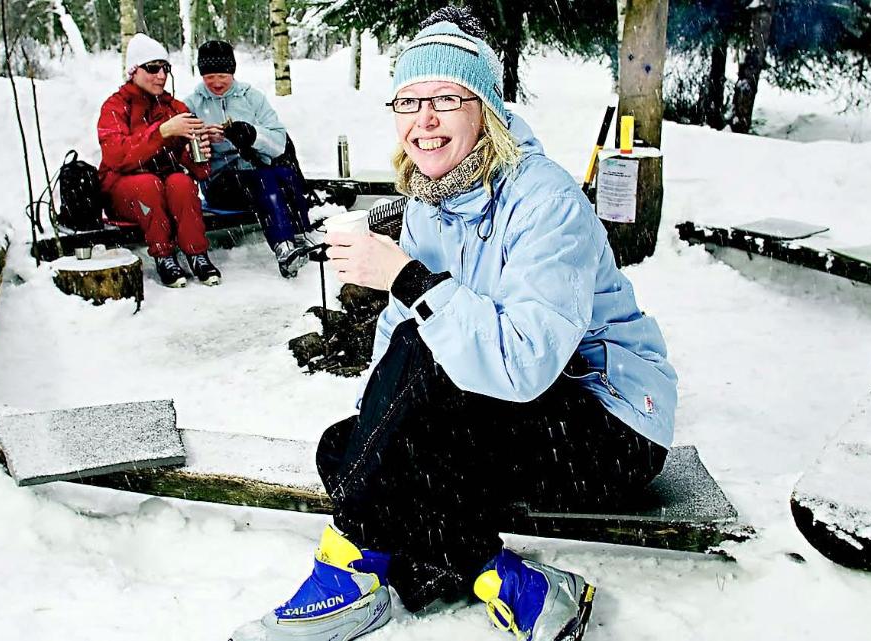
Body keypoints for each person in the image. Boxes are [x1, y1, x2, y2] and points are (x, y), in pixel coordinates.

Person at [228, 7, 677, 641]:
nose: (424, 121)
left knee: (403, 393)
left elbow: (520, 364)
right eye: (408, 102)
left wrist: (409, 279)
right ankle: (513, 583)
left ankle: (346, 576)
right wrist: (379, 429)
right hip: (505, 405)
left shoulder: (546, 200)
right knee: (345, 449)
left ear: (485, 110)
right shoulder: (430, 199)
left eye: (445, 98)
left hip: (607, 424)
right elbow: (400, 332)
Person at [97, 33, 221, 288]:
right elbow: (116, 156)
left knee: (180, 182)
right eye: (152, 68)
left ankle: (196, 253)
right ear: (134, 71)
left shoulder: (174, 107)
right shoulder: (115, 106)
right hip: (124, 190)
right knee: (147, 184)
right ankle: (163, 254)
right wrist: (162, 132)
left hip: (163, 185)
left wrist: (199, 151)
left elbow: (199, 171)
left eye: (165, 68)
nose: (161, 76)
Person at [184, 40, 314, 278]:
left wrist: (252, 135)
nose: (216, 82)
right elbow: (184, 153)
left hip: (257, 173)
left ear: (232, 71)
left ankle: (297, 237)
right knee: (264, 181)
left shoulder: (252, 98)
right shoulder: (192, 104)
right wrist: (204, 141)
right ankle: (284, 248)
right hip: (220, 183)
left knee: (281, 174)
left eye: (222, 74)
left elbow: (278, 143)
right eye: (209, 76)